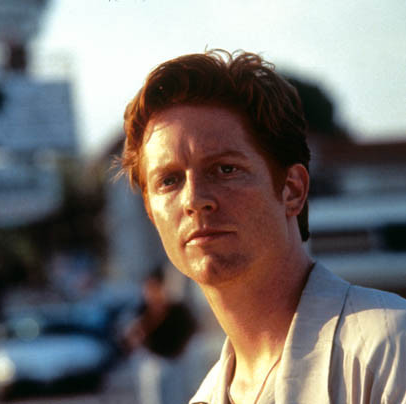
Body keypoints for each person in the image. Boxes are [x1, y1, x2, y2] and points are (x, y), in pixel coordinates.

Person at [118, 49, 406, 403]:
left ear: (292, 190)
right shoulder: (206, 397)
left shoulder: (388, 349)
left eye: (225, 169)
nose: (194, 199)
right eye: (169, 181)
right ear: (151, 212)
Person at [123, 265, 197, 404]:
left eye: (154, 288)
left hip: (175, 362)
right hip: (151, 363)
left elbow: (190, 329)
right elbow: (129, 338)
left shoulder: (176, 310)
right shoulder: (141, 311)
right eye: (148, 288)